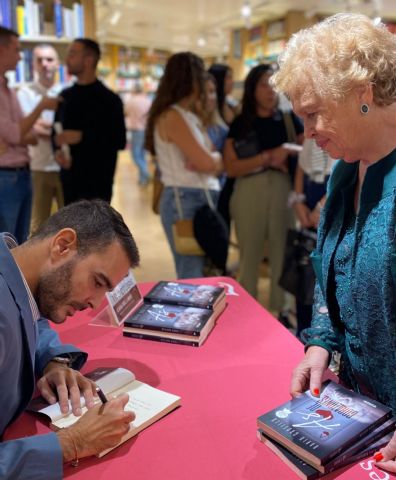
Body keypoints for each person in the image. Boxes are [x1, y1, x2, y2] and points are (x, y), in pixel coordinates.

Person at [271, 13, 396, 472]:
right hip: (356, 411)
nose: (308, 134)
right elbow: (329, 268)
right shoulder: (346, 170)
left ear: (362, 93)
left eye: (312, 113)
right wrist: (320, 344)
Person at [0, 199, 140, 478]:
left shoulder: (16, 267)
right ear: (62, 245)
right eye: (97, 282)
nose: (95, 303)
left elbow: (28, 311)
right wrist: (70, 444)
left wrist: (54, 361)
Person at [224, 64, 303, 313]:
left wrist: (289, 151)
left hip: (283, 191)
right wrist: (269, 157)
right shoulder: (241, 123)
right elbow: (232, 167)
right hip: (249, 191)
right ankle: (245, 312)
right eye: (263, 84)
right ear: (251, 88)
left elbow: (308, 153)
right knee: (250, 254)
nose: (270, 90)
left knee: (283, 253)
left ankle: (281, 313)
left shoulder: (290, 120)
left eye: (275, 84)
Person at [145, 52, 223, 279]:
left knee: (201, 273)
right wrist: (212, 160)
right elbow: (207, 161)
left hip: (195, 197)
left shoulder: (187, 115)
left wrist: (212, 161)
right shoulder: (173, 116)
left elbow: (211, 161)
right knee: (192, 275)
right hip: (185, 199)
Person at [0, 27, 59, 243]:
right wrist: (41, 107)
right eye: (16, 50)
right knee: (8, 246)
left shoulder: (8, 89)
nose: (19, 57)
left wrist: (20, 132)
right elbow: (17, 133)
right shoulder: (18, 91)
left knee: (20, 241)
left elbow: (29, 134)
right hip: (8, 176)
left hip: (21, 172)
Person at [54, 38, 126, 204]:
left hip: (98, 185)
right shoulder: (65, 97)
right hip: (69, 183)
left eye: (72, 53)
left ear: (89, 60)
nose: (67, 59)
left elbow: (119, 140)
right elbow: (56, 132)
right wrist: (57, 150)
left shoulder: (110, 100)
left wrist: (83, 137)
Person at [17, 43, 64, 234]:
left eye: (49, 59)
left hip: (65, 167)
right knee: (38, 227)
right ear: (34, 65)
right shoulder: (24, 93)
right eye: (40, 60)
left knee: (71, 224)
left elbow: (71, 127)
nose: (45, 64)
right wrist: (57, 130)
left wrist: (41, 124)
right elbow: (27, 128)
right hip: (37, 167)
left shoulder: (67, 92)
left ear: (57, 64)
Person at [289, 139, 334, 337]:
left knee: (327, 277)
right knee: (305, 274)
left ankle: (322, 337)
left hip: (332, 200)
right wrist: (298, 202)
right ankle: (302, 333)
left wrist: (321, 207)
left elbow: (348, 171)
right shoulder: (312, 134)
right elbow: (301, 166)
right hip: (309, 202)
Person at [124, 82, 152, 185]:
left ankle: (146, 174)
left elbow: (125, 113)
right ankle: (142, 180)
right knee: (142, 155)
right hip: (147, 130)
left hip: (137, 130)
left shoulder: (130, 101)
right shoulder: (148, 100)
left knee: (135, 155)